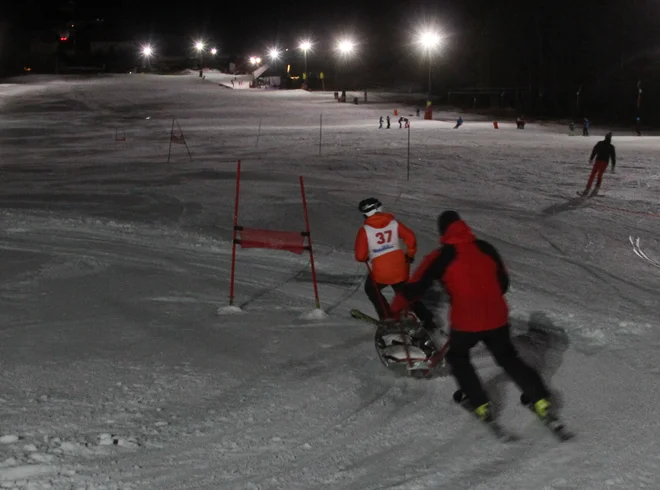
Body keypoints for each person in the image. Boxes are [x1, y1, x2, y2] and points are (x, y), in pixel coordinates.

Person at [389, 210, 552, 422]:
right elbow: (503, 283)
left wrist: (395, 309)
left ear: (442, 231)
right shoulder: (486, 248)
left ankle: (480, 402)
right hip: (497, 317)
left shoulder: (441, 256)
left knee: (458, 358)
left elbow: (416, 286)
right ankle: (539, 398)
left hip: (467, 321)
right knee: (508, 357)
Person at [354, 198, 439, 342]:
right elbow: (410, 238)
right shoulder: (394, 223)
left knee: (371, 288)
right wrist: (410, 254)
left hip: (381, 272)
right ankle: (427, 319)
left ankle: (388, 318)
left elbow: (360, 256)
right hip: (400, 268)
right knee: (405, 293)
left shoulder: (365, 230)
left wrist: (368, 255)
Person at [581, 132, 615, 196]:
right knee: (600, 174)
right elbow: (613, 156)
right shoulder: (611, 146)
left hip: (598, 161)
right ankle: (597, 187)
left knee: (593, 174)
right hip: (605, 162)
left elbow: (594, 151)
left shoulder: (600, 143)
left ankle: (588, 188)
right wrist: (613, 165)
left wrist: (591, 158)